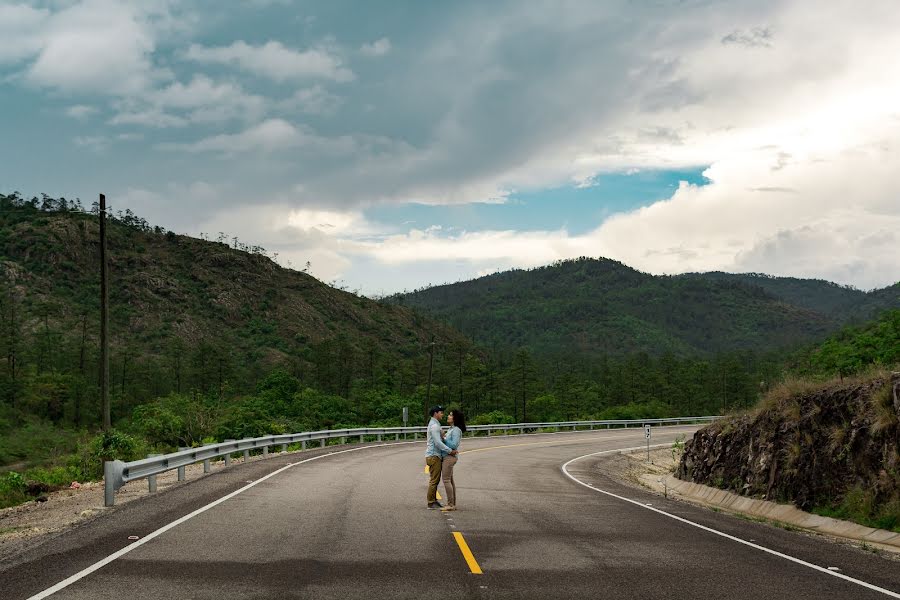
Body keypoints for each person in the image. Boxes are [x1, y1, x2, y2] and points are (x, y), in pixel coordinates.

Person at [425, 406, 456, 509]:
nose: (442, 414)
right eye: (441, 412)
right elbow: (437, 443)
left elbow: (441, 438)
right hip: (434, 455)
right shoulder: (434, 426)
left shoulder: (436, 424)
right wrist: (450, 451)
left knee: (436, 480)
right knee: (434, 480)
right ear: (435, 413)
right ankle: (430, 503)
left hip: (434, 455)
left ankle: (434, 500)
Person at [440, 409, 466, 511]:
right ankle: (453, 504)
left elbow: (454, 445)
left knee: (446, 480)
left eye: (450, 415)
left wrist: (444, 439)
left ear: (455, 418)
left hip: (449, 457)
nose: (448, 416)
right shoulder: (452, 429)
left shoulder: (456, 430)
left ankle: (450, 504)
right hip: (448, 456)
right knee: (450, 480)